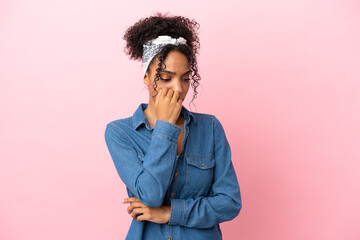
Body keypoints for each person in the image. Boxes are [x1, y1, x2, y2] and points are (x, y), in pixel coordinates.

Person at [104, 12, 242, 240]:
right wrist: (166, 126)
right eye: (166, 78)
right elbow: (150, 195)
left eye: (185, 78)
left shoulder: (211, 128)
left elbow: (229, 202)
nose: (178, 88)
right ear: (147, 77)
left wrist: (168, 213)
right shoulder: (120, 133)